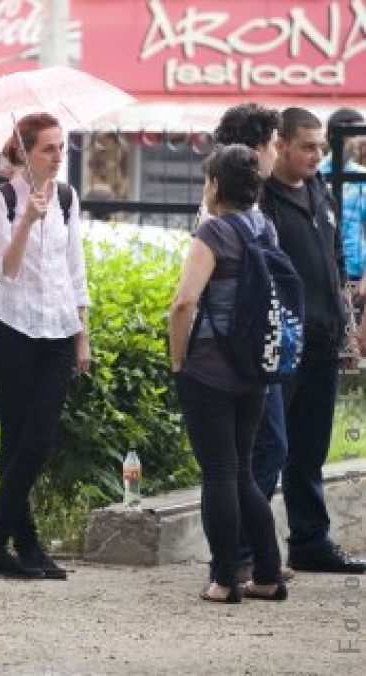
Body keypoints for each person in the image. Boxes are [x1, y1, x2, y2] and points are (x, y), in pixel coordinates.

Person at [0, 112, 91, 580]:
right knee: (17, 440)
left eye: (62, 147)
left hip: (58, 329)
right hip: (14, 330)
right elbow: (7, 272)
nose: (58, 156)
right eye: (48, 148)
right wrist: (26, 222)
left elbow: (74, 268)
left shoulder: (66, 196)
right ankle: (22, 546)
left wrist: (82, 334)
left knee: (38, 439)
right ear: (24, 152)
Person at [169, 144, 287, 603]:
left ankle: (223, 580)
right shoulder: (265, 227)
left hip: (210, 367)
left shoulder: (213, 233)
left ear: (215, 184)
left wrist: (178, 359)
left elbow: (183, 302)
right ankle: (269, 574)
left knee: (219, 472)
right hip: (254, 366)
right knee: (240, 473)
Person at [259, 108, 366, 574]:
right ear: (279, 144)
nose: (316, 154)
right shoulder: (263, 198)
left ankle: (309, 541)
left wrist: (346, 315)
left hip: (323, 338)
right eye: (306, 146)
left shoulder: (320, 188)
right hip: (281, 342)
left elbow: (334, 255)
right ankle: (248, 548)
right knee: (270, 447)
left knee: (309, 448)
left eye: (320, 146)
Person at [210, 103, 293, 585]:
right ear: (257, 146)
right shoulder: (225, 202)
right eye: (273, 142)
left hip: (259, 341)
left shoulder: (255, 199)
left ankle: (250, 557)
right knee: (243, 459)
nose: (275, 152)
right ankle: (239, 557)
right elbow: (190, 293)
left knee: (258, 452)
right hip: (238, 347)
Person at [320, 108, 366, 285]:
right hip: (322, 274)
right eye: (355, 134)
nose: (361, 140)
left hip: (356, 273)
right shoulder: (314, 174)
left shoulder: (362, 176)